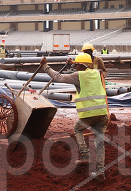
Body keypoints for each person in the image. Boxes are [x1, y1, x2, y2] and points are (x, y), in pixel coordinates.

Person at [40, 53, 109, 183]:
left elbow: (58, 77)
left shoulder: (78, 76)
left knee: (77, 129)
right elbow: (101, 71)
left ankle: (85, 154)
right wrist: (73, 63)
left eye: (76, 65)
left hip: (89, 114)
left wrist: (45, 66)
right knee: (100, 144)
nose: (75, 67)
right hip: (102, 113)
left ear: (79, 65)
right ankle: (100, 172)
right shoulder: (97, 73)